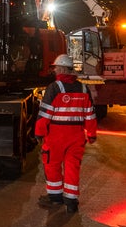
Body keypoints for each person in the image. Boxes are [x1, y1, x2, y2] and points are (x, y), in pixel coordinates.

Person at [35, 53, 97, 213]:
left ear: (62, 68)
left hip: (56, 136)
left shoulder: (54, 88)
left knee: (52, 165)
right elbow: (90, 114)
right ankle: (71, 201)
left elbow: (45, 115)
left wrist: (39, 133)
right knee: (72, 167)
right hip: (76, 136)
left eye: (56, 68)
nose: (55, 71)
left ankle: (55, 197)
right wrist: (91, 134)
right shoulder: (84, 88)